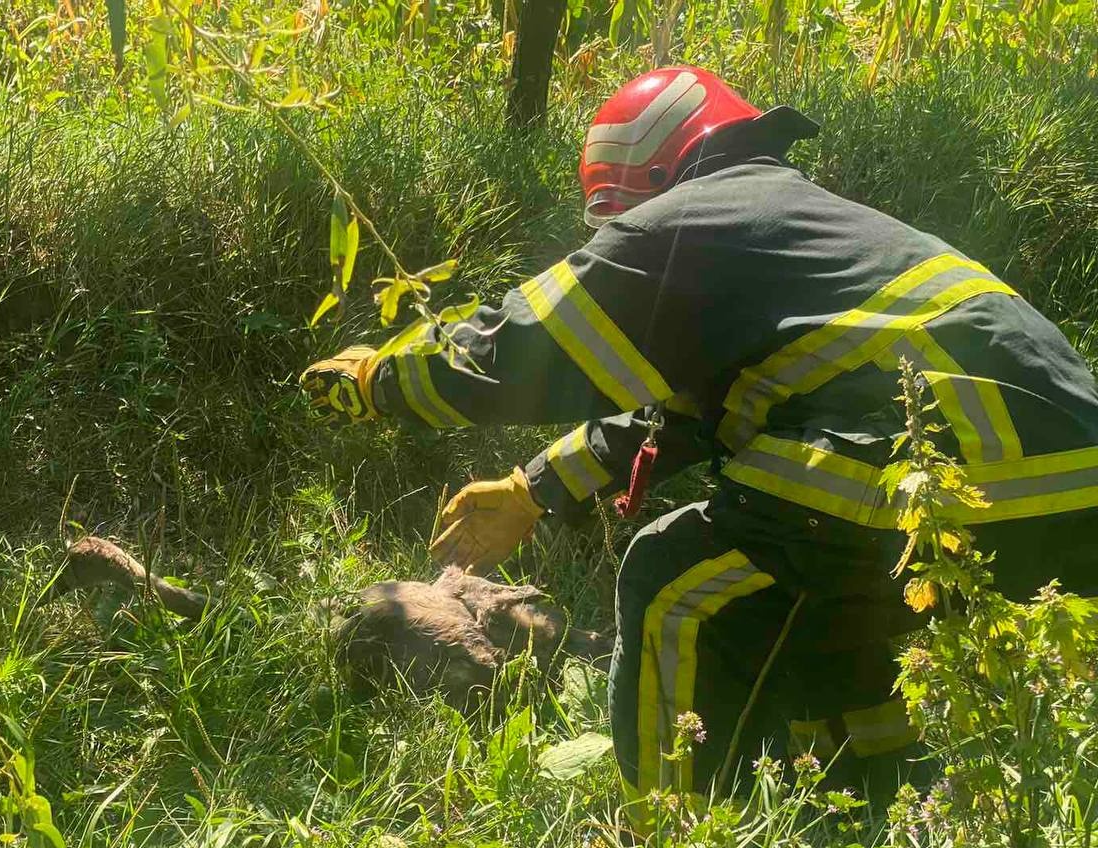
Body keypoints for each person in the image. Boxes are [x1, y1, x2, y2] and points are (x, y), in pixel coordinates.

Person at [300, 66, 1098, 808]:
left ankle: (670, 832)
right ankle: (872, 807)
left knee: (672, 576)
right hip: (1065, 491)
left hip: (933, 462)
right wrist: (533, 489)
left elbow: (526, 345)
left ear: (641, 181)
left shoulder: (690, 219)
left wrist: (376, 380)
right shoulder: (804, 223)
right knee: (824, 612)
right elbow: (680, 413)